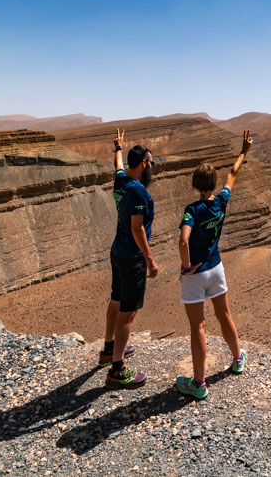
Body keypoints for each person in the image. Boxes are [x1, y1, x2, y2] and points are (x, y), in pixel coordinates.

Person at [174, 129, 253, 400]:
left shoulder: (192, 211)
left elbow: (183, 241)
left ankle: (198, 383)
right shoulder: (221, 202)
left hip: (196, 275)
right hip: (216, 269)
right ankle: (238, 358)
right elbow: (233, 173)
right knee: (225, 315)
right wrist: (243, 151)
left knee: (198, 327)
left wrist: (186, 267)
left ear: (196, 184)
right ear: (213, 184)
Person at [101, 128, 160, 389]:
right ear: (144, 163)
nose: (152, 167)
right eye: (151, 163)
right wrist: (150, 259)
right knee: (128, 313)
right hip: (131, 257)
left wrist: (118, 148)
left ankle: (108, 348)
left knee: (116, 300)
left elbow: (117, 165)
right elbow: (138, 229)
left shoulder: (121, 181)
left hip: (117, 253)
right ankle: (117, 369)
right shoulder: (137, 191)